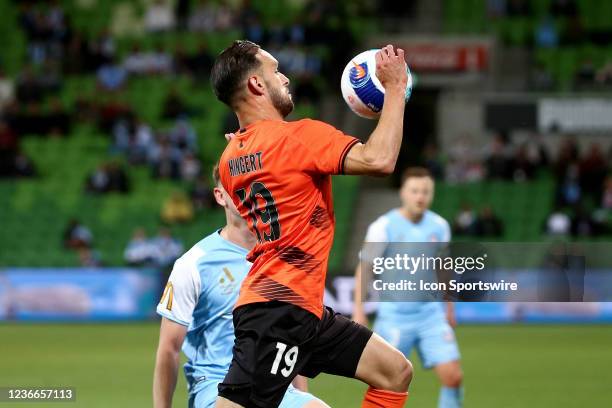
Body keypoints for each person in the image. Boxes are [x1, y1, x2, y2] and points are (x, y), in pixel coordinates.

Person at [211, 40, 411, 408]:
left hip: (302, 308)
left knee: (394, 372)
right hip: (277, 309)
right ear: (256, 85)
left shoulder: (229, 159)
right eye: (275, 71)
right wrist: (396, 88)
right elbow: (379, 159)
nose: (285, 77)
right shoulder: (299, 137)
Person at [153, 165, 329, 408]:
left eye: (252, 184)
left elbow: (288, 335)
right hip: (215, 387)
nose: (246, 192)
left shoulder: (283, 256)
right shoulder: (193, 264)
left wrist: (300, 394)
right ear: (220, 196)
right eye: (235, 186)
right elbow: (169, 349)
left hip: (273, 385)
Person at [353, 167, 464, 408]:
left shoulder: (440, 226)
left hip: (430, 315)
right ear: (403, 192)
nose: (420, 196)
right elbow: (365, 269)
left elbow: (443, 267)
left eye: (425, 191)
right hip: (394, 317)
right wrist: (359, 311)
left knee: (453, 377)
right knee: (384, 383)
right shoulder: (382, 227)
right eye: (415, 191)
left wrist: (449, 306)